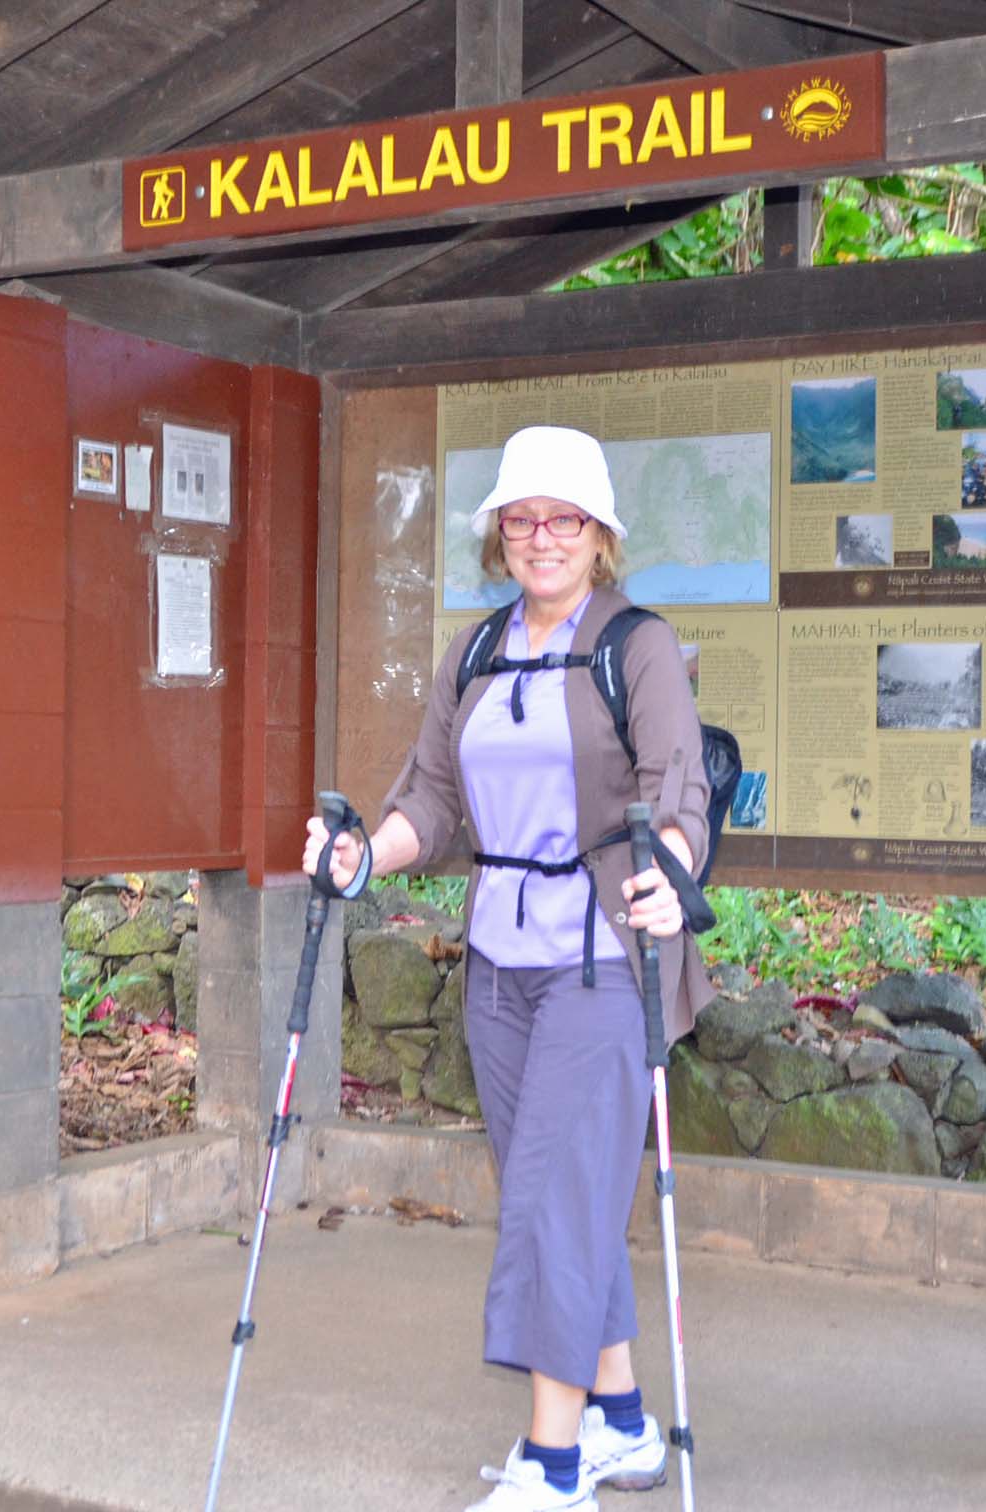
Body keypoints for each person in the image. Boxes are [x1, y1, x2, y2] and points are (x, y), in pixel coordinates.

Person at [303, 426, 714, 1511]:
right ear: (498, 533)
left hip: (605, 959)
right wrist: (360, 859)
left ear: (600, 535)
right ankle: (622, 1421)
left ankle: (553, 1462)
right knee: (562, 1193)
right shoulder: (476, 653)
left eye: (563, 518)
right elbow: (428, 799)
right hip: (498, 961)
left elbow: (680, 797)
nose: (541, 537)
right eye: (522, 518)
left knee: (549, 1201)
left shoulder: (639, 648)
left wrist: (669, 876)